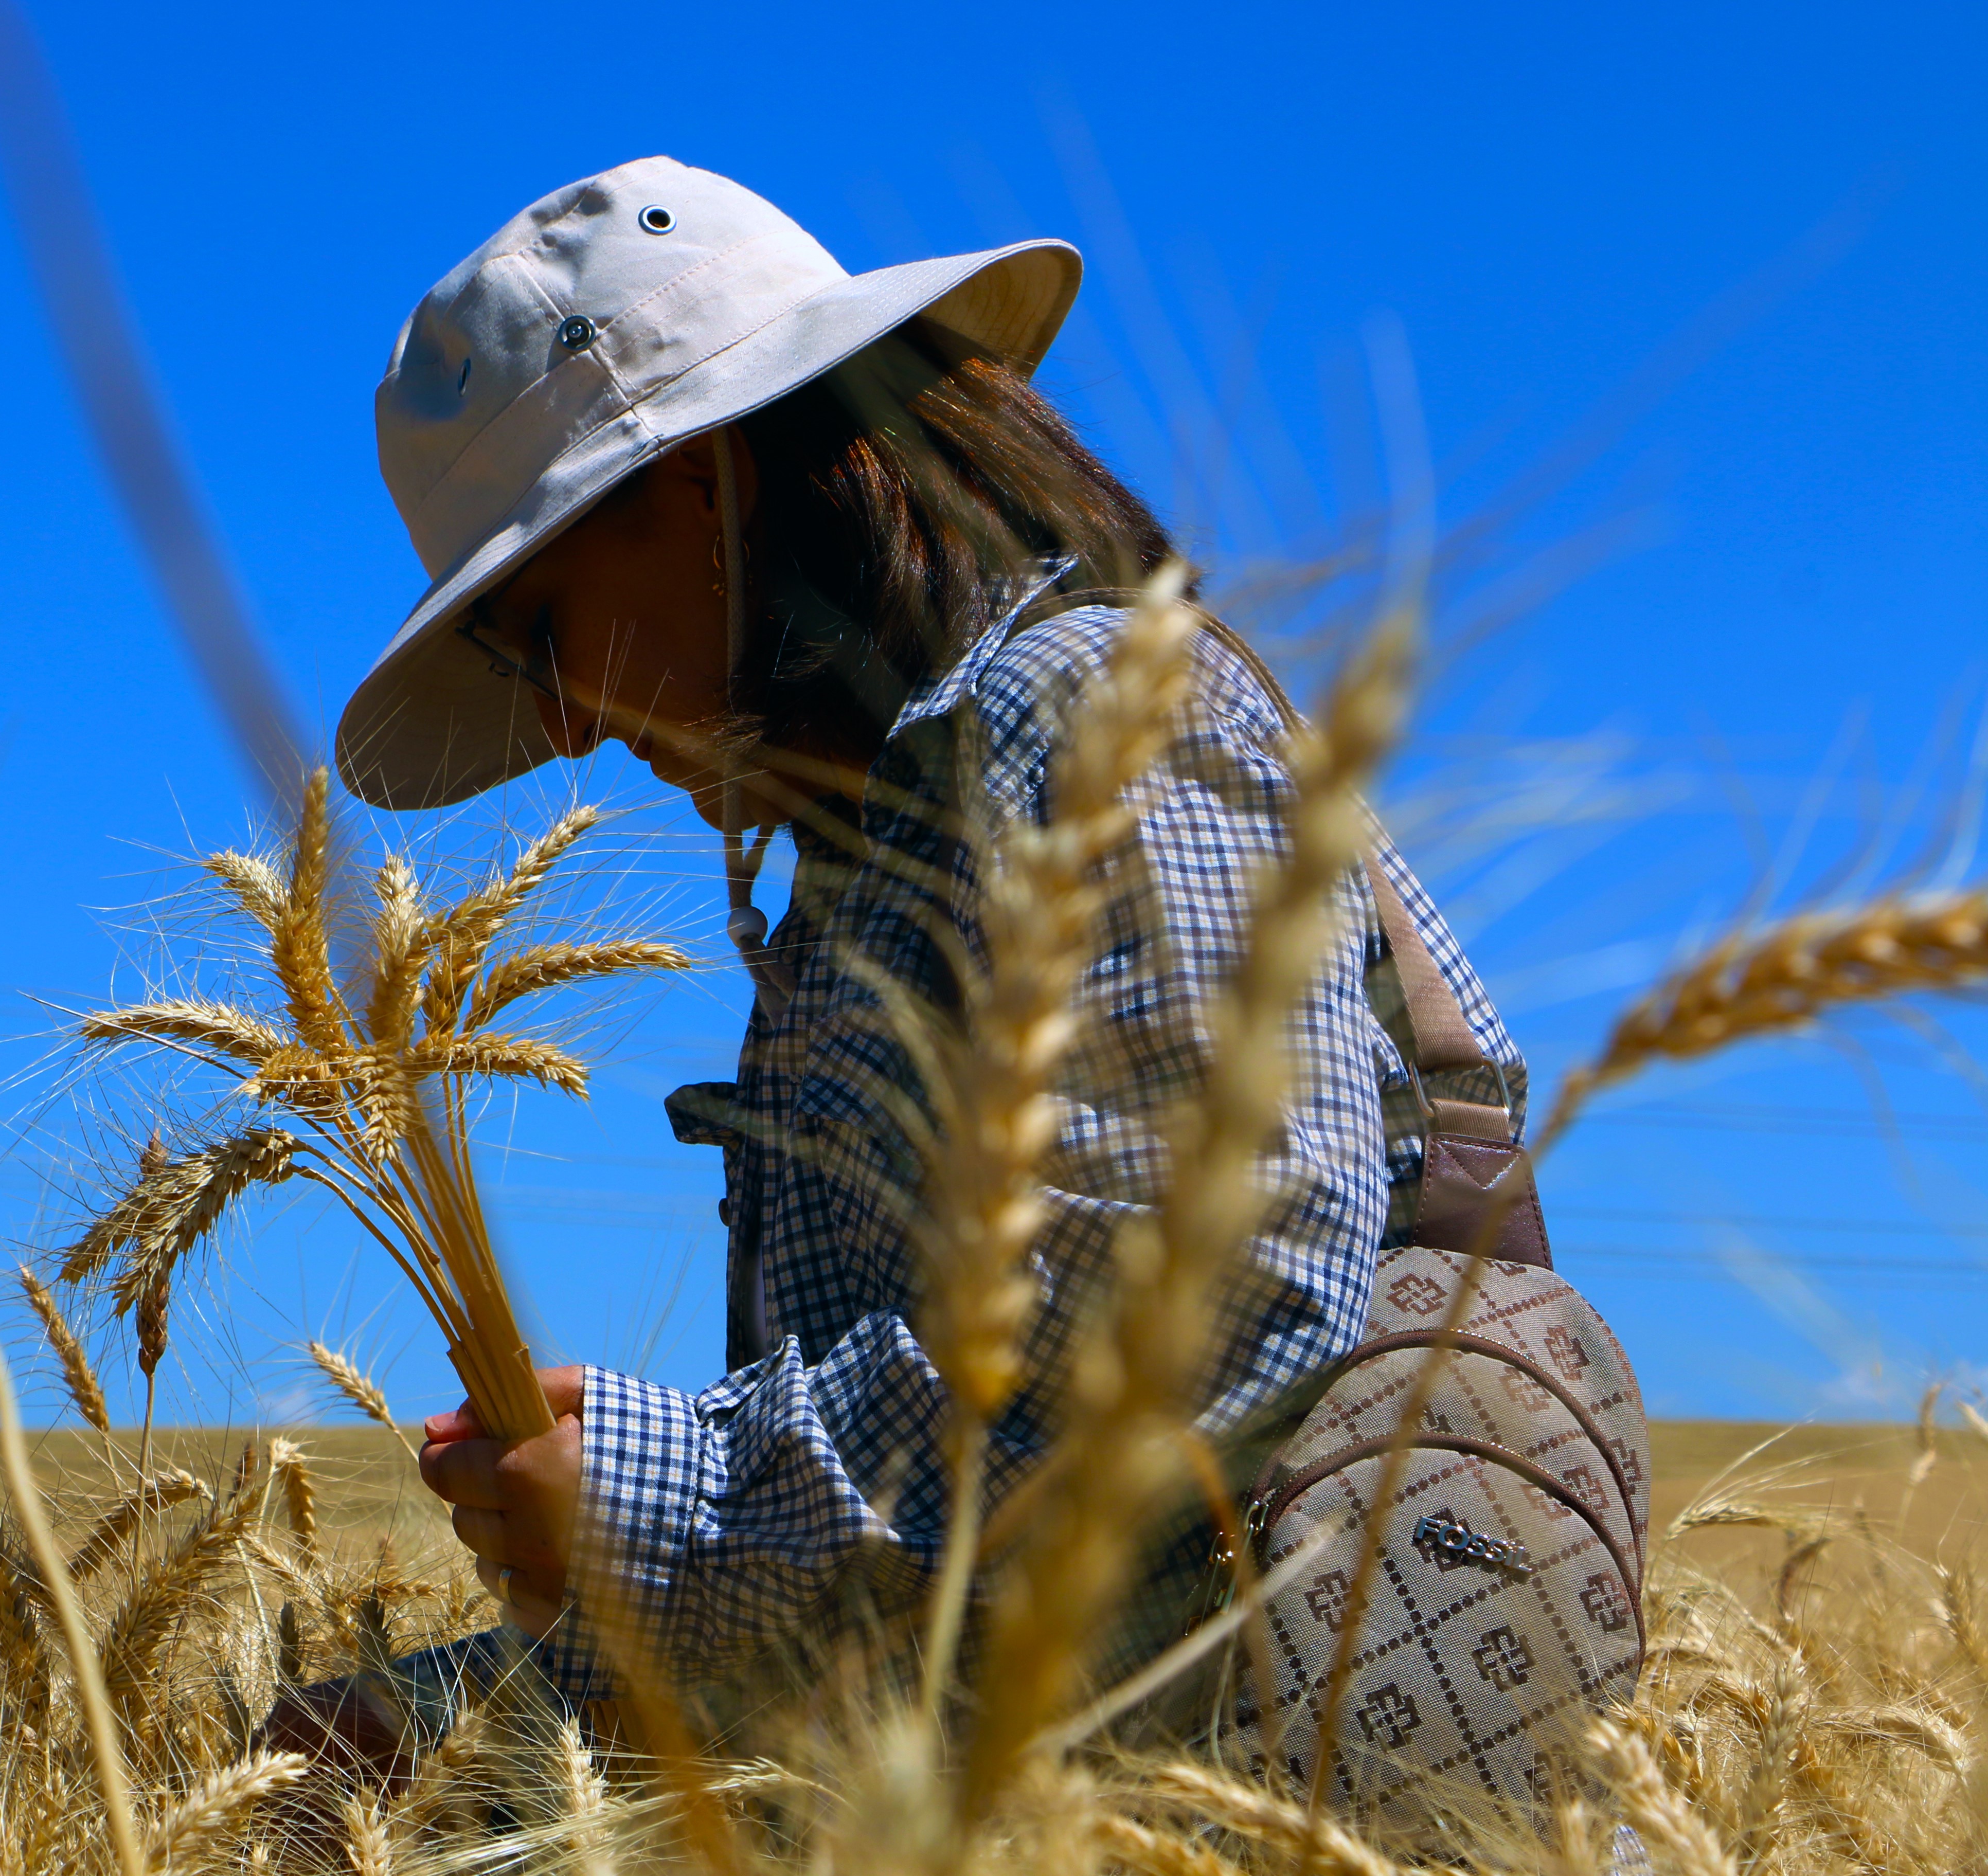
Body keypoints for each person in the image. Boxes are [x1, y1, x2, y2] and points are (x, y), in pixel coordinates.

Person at [298, 155, 1524, 1750]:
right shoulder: (866, 872)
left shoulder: (1090, 714)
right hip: (1011, 1770)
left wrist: (684, 1485)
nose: (572, 727)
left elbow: (1210, 1299)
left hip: (1238, 1783)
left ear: (707, 483)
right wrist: (587, 1580)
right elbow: (909, 1579)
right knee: (332, 1764)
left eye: (543, 633)